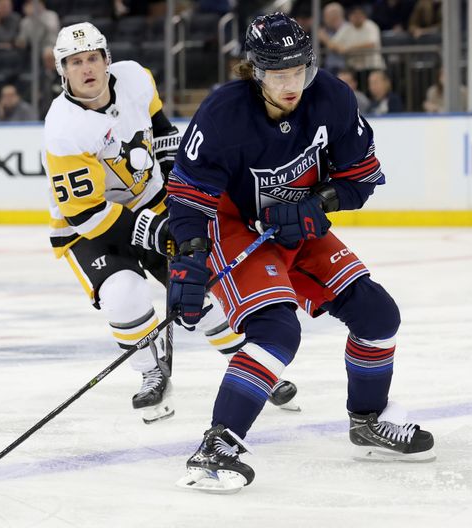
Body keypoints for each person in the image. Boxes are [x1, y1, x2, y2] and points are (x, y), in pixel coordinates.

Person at [167, 12, 434, 494]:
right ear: (254, 70)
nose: (291, 84)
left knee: (379, 317)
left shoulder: (331, 97)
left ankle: (368, 419)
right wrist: (189, 258)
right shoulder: (222, 114)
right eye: (277, 73)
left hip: (301, 229)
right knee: (276, 331)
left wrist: (320, 203)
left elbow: (361, 179)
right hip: (238, 229)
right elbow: (188, 198)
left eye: (299, 71)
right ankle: (218, 443)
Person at [42, 22, 299, 424]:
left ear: (107, 59)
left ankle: (247, 362)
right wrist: (153, 230)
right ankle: (150, 370)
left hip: (152, 201)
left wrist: (170, 172)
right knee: (124, 293)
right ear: (63, 71)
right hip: (90, 228)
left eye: (93, 57)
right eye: (75, 62)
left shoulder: (134, 77)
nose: (86, 68)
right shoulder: (64, 129)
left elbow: (160, 127)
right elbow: (85, 212)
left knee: (201, 284)